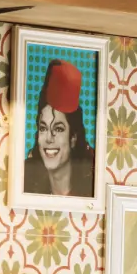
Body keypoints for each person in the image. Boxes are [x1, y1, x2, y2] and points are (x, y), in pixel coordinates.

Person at [23, 59, 95, 198]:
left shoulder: (90, 187)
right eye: (43, 128)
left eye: (59, 129)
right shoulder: (26, 182)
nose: (49, 138)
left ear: (73, 138)